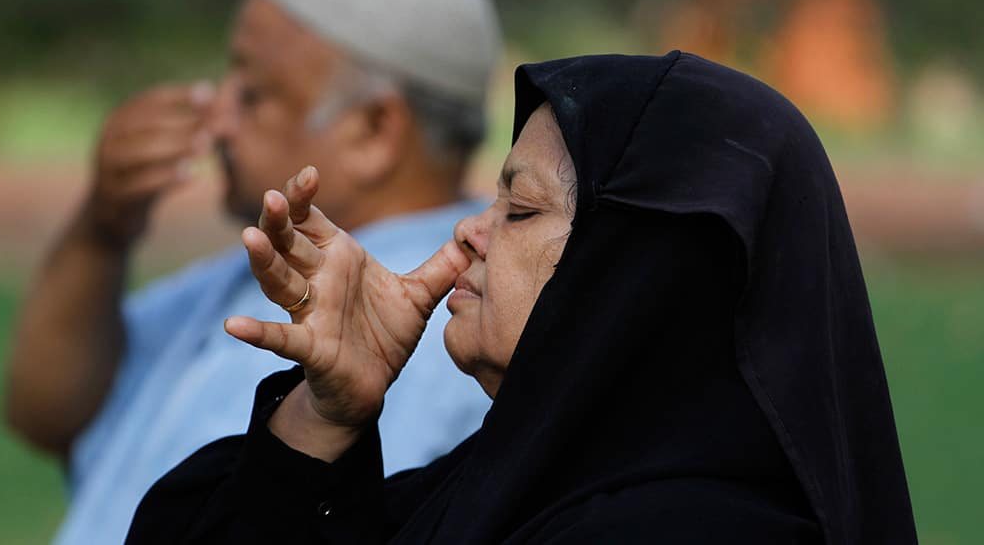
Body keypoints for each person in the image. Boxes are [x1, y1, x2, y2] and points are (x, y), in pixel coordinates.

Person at [126, 52, 918, 544]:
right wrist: (325, 414)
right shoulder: (494, 483)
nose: (471, 232)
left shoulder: (702, 530)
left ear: (639, 277)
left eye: (522, 208)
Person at [3, 0, 499, 545]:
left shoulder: (454, 328)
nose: (217, 117)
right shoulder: (242, 272)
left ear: (374, 131)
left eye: (255, 94)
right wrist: (102, 230)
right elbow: (45, 415)